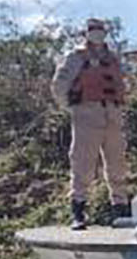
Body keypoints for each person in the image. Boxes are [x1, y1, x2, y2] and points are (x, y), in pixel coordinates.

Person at [51, 18, 129, 230]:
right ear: (85, 33)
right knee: (83, 163)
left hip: (112, 113)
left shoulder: (112, 58)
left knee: (117, 163)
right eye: (92, 30)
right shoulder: (75, 57)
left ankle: (120, 209)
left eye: (100, 30)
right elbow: (59, 85)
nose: (97, 33)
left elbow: (121, 83)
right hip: (87, 112)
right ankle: (78, 211)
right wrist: (72, 106)